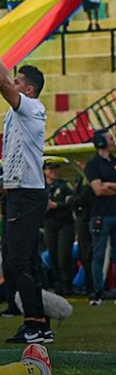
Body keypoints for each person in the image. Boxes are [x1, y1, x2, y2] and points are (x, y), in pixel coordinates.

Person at [0, 15, 52, 343]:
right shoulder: (22, 110)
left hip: (27, 194)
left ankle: (34, 323)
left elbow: (2, 82)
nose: (12, 85)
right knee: (25, 258)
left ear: (28, 89)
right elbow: (5, 81)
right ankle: (38, 323)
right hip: (21, 191)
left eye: (19, 82)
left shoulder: (29, 107)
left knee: (17, 259)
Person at [85, 128, 116, 305]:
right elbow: (98, 189)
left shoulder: (113, 162)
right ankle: (97, 292)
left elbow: (103, 188)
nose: (112, 141)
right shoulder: (93, 164)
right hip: (100, 216)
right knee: (99, 254)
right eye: (110, 139)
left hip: (113, 213)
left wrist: (108, 185)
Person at [43, 161, 75, 296]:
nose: (53, 171)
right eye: (50, 169)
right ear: (44, 171)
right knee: (53, 254)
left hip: (64, 223)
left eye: (55, 169)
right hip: (49, 224)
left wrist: (57, 205)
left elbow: (71, 201)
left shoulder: (63, 185)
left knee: (64, 255)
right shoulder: (41, 187)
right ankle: (58, 285)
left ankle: (67, 284)